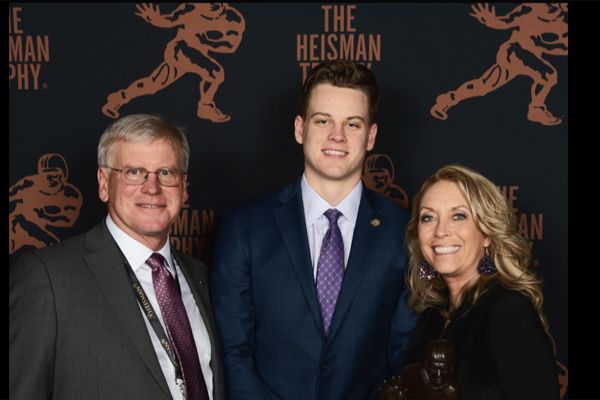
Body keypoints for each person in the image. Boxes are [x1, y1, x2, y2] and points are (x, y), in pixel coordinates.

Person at [210, 59, 417, 400]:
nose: (337, 136)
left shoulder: (404, 232)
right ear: (299, 128)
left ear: (371, 137)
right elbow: (233, 353)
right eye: (323, 121)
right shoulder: (245, 227)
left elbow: (404, 356)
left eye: (353, 124)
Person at [9, 114, 224, 400]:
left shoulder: (204, 277)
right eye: (134, 172)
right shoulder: (49, 277)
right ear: (103, 183)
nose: (152, 187)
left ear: (184, 187)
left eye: (166, 173)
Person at [397, 164, 559, 399]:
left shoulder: (507, 309)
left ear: (486, 233)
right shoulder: (434, 312)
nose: (441, 231)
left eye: (458, 216)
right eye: (428, 217)